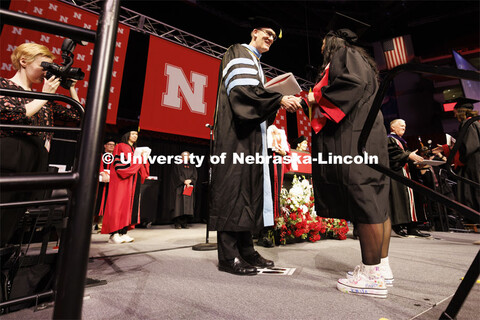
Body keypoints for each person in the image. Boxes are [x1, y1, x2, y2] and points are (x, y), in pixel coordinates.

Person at [209, 17, 302, 275]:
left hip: (250, 137)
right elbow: (243, 94)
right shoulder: (238, 52)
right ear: (254, 32)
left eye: (274, 36)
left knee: (248, 193)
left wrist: (273, 98)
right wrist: (279, 98)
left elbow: (255, 98)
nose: (271, 38)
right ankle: (228, 257)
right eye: (268, 33)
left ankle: (246, 250)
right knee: (233, 191)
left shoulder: (256, 63)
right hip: (236, 137)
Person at [306, 29, 392, 298]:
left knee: (364, 201)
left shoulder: (345, 54)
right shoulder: (364, 60)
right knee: (377, 203)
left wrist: (315, 97)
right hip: (369, 137)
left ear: (332, 42)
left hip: (355, 139)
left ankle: (371, 275)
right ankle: (382, 267)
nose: (321, 47)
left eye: (323, 43)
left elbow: (350, 86)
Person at [1, 43, 81, 247]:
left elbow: (79, 115)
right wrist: (43, 95)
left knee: (19, 222)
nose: (46, 73)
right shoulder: (4, 86)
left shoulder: (46, 100)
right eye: (43, 66)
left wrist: (70, 87)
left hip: (37, 161)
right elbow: (14, 115)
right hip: (10, 159)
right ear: (23, 61)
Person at [101, 130, 150, 244]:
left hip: (133, 181)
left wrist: (144, 158)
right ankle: (114, 234)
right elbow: (120, 166)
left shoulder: (135, 149)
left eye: (136, 134)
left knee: (129, 207)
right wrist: (138, 162)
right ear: (126, 135)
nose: (135, 136)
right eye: (132, 134)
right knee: (118, 205)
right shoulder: (120, 146)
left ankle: (123, 232)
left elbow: (141, 166)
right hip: (121, 181)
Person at [434, 98, 480, 213]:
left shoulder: (468, 123)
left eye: (455, 112)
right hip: (475, 162)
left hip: (474, 164)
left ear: (460, 111)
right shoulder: (475, 122)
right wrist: (447, 148)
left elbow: (469, 147)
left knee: (473, 191)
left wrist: (451, 151)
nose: (454, 116)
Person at [387, 119, 430, 237]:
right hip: (398, 175)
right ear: (392, 128)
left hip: (408, 174)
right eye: (401, 125)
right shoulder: (390, 139)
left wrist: (417, 162)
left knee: (413, 199)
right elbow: (392, 156)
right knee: (401, 200)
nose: (403, 127)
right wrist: (408, 155)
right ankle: (398, 225)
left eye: (405, 126)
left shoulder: (402, 141)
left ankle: (413, 227)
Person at [93, 138, 116, 233]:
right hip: (98, 183)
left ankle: (101, 226)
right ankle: (90, 224)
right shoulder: (100, 156)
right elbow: (97, 165)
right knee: (96, 202)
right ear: (105, 145)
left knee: (107, 203)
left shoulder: (115, 157)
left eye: (113, 145)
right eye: (109, 144)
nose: (111, 146)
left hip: (111, 184)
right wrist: (102, 173)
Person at [169, 151, 197, 229]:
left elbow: (195, 176)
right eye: (184, 156)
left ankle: (184, 223)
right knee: (179, 206)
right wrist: (184, 181)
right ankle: (177, 223)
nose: (185, 157)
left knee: (187, 206)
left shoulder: (192, 166)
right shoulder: (177, 166)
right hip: (179, 188)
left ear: (189, 157)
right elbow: (176, 176)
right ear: (181, 157)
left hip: (188, 187)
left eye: (187, 156)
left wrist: (190, 181)